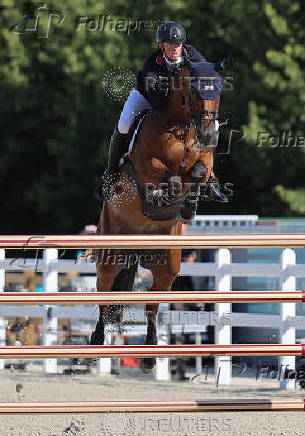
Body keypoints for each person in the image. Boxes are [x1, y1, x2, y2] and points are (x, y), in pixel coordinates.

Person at [95, 21, 228, 202]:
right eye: (170, 44)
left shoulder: (193, 56)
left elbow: (204, 78)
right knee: (124, 123)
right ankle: (110, 174)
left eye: (178, 44)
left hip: (182, 101)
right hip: (148, 97)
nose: (175, 48)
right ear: (161, 45)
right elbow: (158, 103)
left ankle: (210, 176)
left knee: (213, 124)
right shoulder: (153, 64)